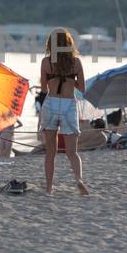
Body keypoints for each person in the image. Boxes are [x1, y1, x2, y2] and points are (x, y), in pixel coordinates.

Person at [38, 29, 89, 195]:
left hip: (51, 103)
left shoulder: (46, 62)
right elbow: (82, 88)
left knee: (50, 152)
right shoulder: (76, 63)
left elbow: (44, 88)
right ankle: (78, 180)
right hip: (68, 105)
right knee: (72, 152)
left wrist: (53, 79)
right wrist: (70, 81)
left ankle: (48, 188)